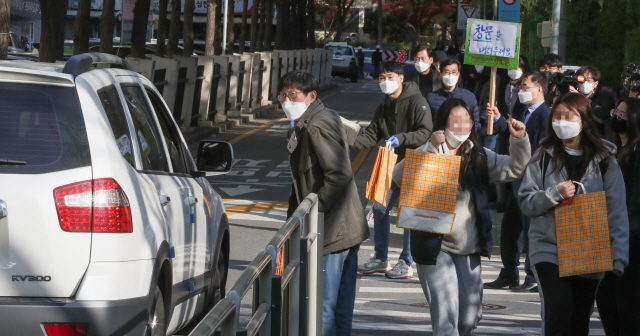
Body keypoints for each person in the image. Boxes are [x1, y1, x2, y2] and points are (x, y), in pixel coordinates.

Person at [392, 98, 531, 336]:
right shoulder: (430, 148)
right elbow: (398, 176)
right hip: (435, 244)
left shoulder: (479, 155)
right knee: (446, 317)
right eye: (455, 120)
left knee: (468, 317)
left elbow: (515, 168)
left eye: (466, 120)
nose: (461, 126)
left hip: (469, 246)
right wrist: (431, 150)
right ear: (443, 123)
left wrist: (519, 140)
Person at [518, 93, 629, 336]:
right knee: (558, 306)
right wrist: (552, 194)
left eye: (568, 116)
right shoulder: (543, 155)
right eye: (557, 115)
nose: (561, 121)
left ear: (584, 119)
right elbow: (526, 201)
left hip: (588, 248)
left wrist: (618, 256)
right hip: (549, 247)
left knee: (580, 316)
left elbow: (617, 209)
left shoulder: (605, 159)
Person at [280, 70, 369, 336]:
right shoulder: (316, 119)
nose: (286, 101)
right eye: (283, 96)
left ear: (311, 96)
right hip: (342, 227)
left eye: (292, 95)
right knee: (338, 307)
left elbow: (338, 175)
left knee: (325, 308)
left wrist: (312, 213)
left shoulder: (317, 124)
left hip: (332, 229)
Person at [354, 61, 433, 279]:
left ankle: (406, 261)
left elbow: (426, 132)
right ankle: (381, 259)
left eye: (389, 77)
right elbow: (371, 133)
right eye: (381, 77)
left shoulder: (418, 101)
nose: (385, 82)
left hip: (413, 162)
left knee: (407, 214)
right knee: (380, 208)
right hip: (390, 163)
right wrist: (348, 138)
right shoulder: (384, 105)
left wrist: (402, 138)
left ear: (400, 78)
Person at [484, 72, 552, 292]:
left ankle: (532, 276)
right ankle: (509, 272)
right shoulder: (522, 110)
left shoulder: (546, 115)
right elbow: (512, 135)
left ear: (539, 89)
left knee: (529, 228)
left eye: (525, 87)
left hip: (533, 181)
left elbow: (538, 147)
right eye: (521, 87)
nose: (521, 90)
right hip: (517, 179)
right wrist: (498, 120)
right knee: (510, 228)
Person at [595, 98, 640, 336]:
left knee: (627, 301)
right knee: (606, 296)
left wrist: (627, 231)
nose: (617, 118)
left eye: (623, 114)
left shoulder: (636, 151)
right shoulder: (617, 150)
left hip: (630, 237)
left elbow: (634, 201)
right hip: (614, 234)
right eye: (616, 112)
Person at [427, 59, 480, 131]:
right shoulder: (431, 98)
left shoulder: (469, 96)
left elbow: (475, 121)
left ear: (458, 74)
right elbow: (428, 123)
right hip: (440, 139)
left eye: (454, 72)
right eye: (447, 72)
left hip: (463, 138)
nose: (450, 75)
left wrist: (469, 137)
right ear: (441, 74)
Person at [573, 66, 616, 137]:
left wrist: (581, 99)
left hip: (597, 138)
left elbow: (602, 118)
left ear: (596, 84)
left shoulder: (605, 98)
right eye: (582, 80)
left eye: (588, 80)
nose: (584, 83)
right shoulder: (572, 96)